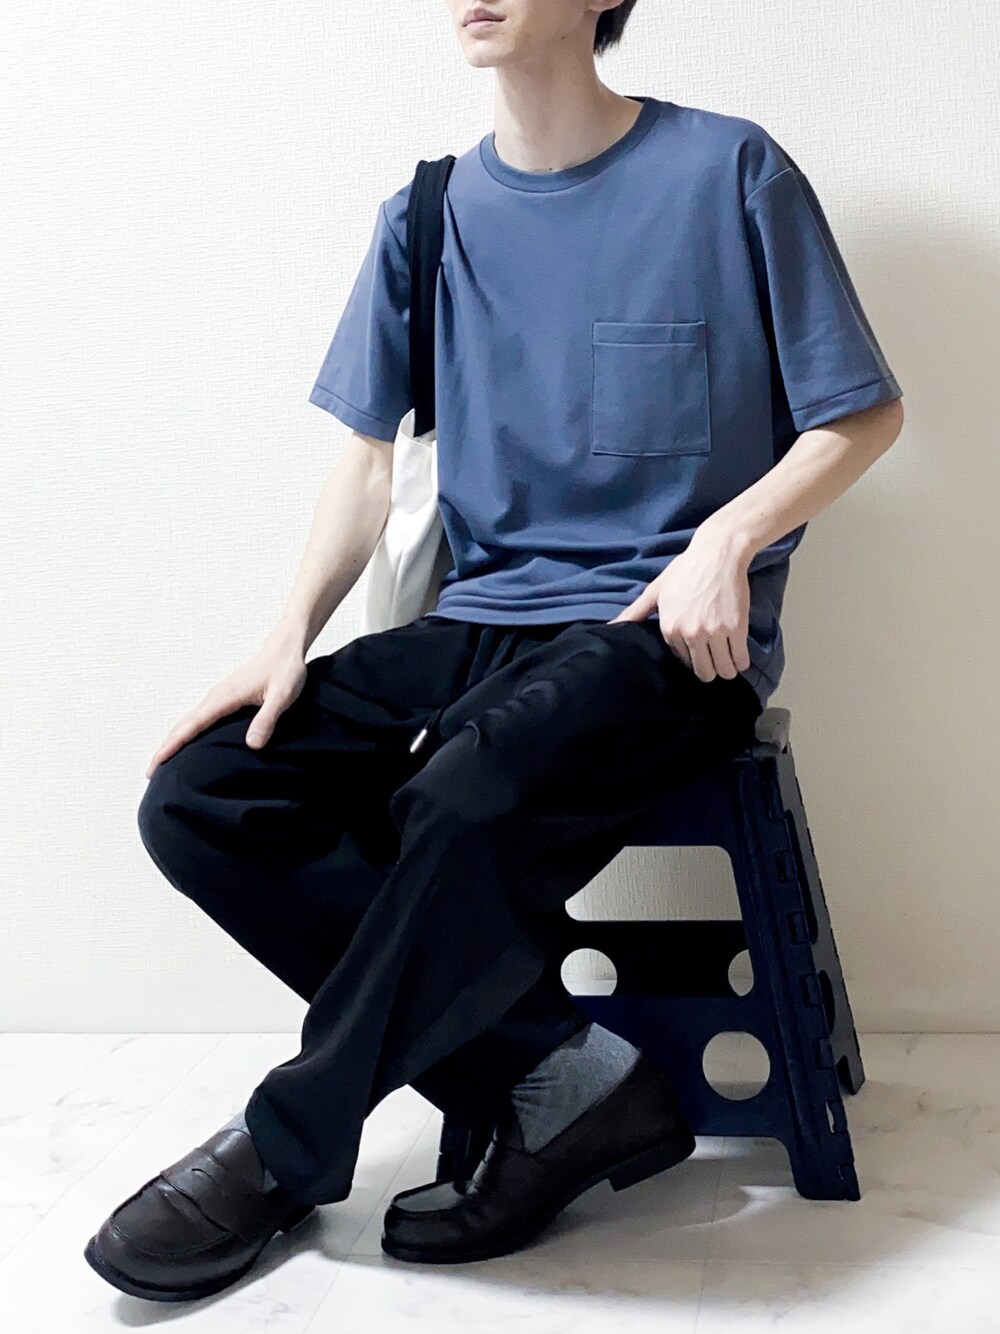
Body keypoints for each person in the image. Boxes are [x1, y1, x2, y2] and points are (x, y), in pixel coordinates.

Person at [83, 0, 904, 1304]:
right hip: (480, 619)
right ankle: (567, 1077)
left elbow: (861, 414)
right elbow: (367, 464)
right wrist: (286, 638)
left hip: (661, 633)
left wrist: (729, 537)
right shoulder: (425, 215)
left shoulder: (729, 171)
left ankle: (284, 1149)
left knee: (462, 785)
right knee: (201, 793)